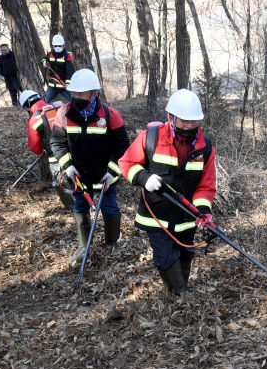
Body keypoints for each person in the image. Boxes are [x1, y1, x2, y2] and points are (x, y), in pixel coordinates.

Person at [118, 89, 216, 295]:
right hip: (157, 217)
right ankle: (178, 294)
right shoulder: (150, 138)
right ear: (170, 117)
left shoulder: (204, 147)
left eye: (193, 121)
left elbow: (206, 185)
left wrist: (201, 210)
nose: (189, 126)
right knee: (164, 257)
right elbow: (126, 163)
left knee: (186, 253)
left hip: (187, 216)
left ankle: (180, 288)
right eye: (184, 121)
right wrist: (144, 178)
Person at [50, 69, 129, 265]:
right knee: (80, 207)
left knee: (110, 208)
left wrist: (112, 172)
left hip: (104, 176)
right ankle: (83, 246)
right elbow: (57, 143)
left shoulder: (111, 116)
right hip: (79, 176)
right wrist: (67, 166)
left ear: (94, 93)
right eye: (74, 93)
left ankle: (112, 243)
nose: (75, 97)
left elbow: (122, 148)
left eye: (81, 93)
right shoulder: (63, 114)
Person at [19, 89, 74, 209]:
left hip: (55, 157)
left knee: (61, 182)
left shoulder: (34, 120)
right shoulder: (59, 108)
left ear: (27, 105)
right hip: (74, 151)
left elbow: (34, 146)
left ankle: (73, 208)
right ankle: (85, 201)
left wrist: (40, 153)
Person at [42, 34, 75, 103]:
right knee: (44, 102)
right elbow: (44, 59)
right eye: (55, 46)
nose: (57, 47)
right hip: (52, 86)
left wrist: (68, 83)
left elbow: (70, 71)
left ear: (63, 45)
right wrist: (44, 62)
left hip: (64, 86)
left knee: (72, 103)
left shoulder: (67, 56)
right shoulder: (50, 54)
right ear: (53, 46)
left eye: (59, 46)